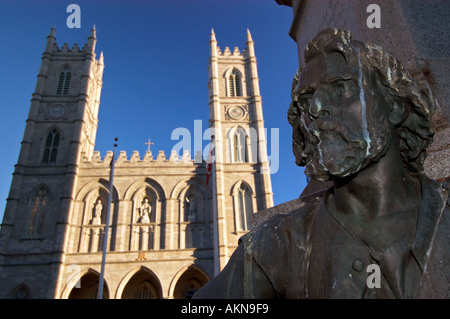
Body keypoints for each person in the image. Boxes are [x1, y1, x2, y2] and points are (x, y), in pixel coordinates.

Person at [194, 29, 450, 299]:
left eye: (340, 88)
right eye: (305, 100)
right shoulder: (274, 246)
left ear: (395, 106)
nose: (315, 108)